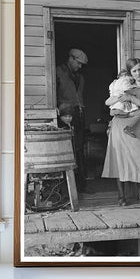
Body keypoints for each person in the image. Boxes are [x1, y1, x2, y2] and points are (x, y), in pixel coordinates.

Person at [101, 58, 140, 206]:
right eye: (134, 70)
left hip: (138, 128)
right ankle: (121, 197)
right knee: (120, 161)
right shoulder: (124, 84)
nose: (138, 73)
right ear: (130, 73)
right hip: (119, 127)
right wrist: (119, 97)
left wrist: (130, 98)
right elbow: (108, 102)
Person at [56, 48, 88, 193]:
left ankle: (81, 186)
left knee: (80, 148)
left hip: (79, 114)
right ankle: (65, 189)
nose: (80, 67)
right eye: (79, 63)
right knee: (67, 150)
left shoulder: (80, 77)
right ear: (71, 58)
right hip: (65, 116)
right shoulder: (57, 72)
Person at [107, 70, 140, 138]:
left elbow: (111, 95)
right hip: (121, 109)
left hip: (114, 108)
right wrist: (133, 93)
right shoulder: (124, 81)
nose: (132, 80)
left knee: (118, 118)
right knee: (139, 113)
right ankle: (128, 127)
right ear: (125, 75)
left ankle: (111, 125)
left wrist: (116, 97)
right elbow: (126, 90)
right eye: (131, 78)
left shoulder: (113, 83)